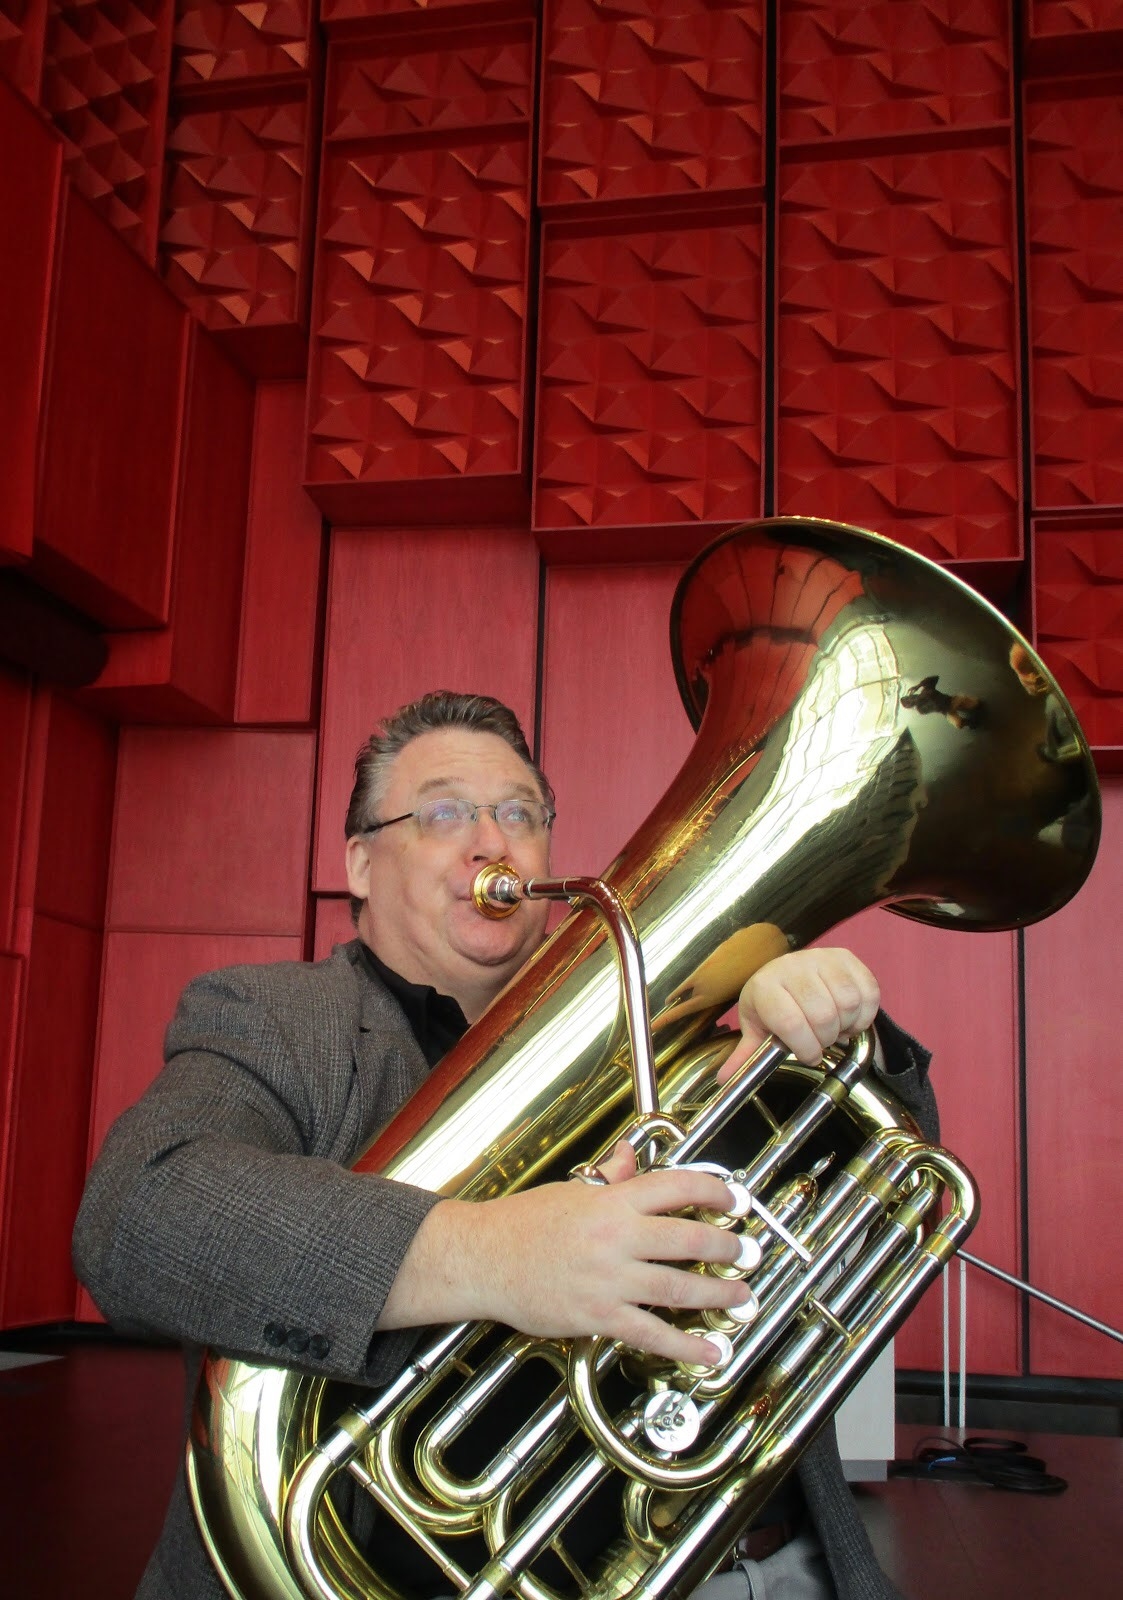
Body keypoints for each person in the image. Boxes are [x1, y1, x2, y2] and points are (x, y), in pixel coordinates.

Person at [74, 691, 936, 1600]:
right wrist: (491, 1253)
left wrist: (830, 1041)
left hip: (760, 1562)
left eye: (519, 813)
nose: (492, 842)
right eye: (443, 811)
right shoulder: (278, 1021)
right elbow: (138, 1212)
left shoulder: (664, 1027)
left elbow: (879, 1211)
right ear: (360, 863)